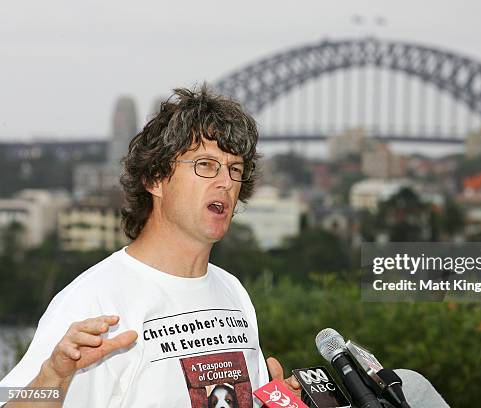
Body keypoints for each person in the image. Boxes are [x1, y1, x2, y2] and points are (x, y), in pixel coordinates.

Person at [0, 85, 300, 407]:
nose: (226, 182)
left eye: (235, 169)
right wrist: (53, 377)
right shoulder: (95, 299)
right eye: (206, 165)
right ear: (155, 179)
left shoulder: (233, 293)